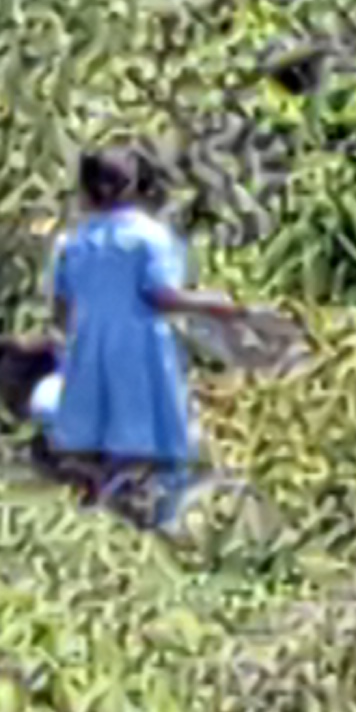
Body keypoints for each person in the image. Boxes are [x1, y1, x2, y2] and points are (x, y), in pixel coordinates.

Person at [42, 147, 258, 533]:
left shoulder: (72, 243)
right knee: (149, 447)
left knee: (97, 443)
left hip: (87, 349)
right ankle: (153, 524)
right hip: (138, 351)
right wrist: (214, 305)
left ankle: (93, 521)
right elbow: (159, 295)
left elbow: (62, 310)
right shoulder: (149, 238)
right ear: (135, 186)